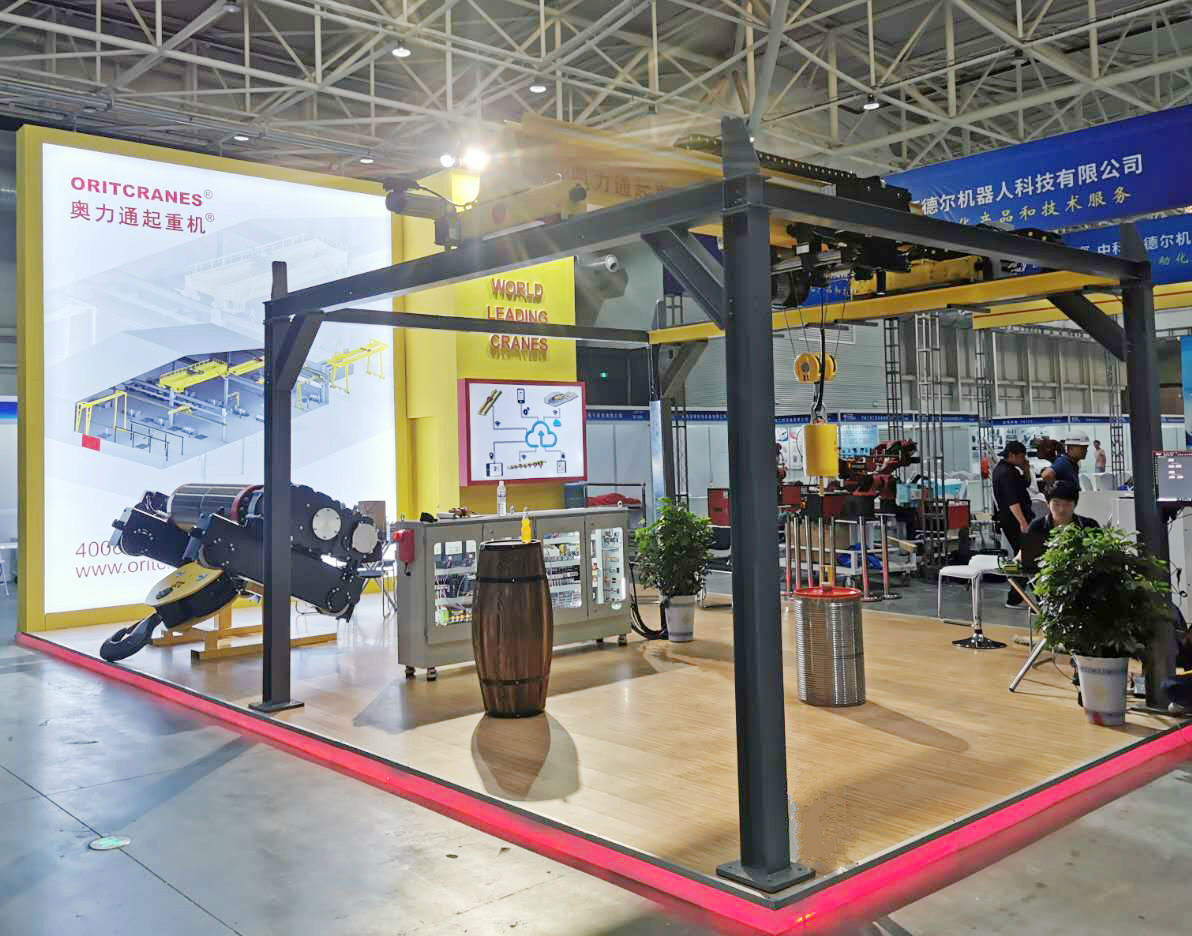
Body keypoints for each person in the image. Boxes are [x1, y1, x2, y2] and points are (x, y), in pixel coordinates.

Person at [992, 441, 1033, 608]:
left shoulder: (1008, 470)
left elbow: (1025, 484)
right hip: (1014, 520)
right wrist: (1023, 522)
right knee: (1026, 555)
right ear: (1012, 455)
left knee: (1023, 555)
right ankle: (1017, 596)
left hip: (1012, 519)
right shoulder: (1006, 473)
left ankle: (1016, 596)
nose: (1024, 459)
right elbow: (1012, 500)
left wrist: (1026, 469)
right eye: (1022, 457)